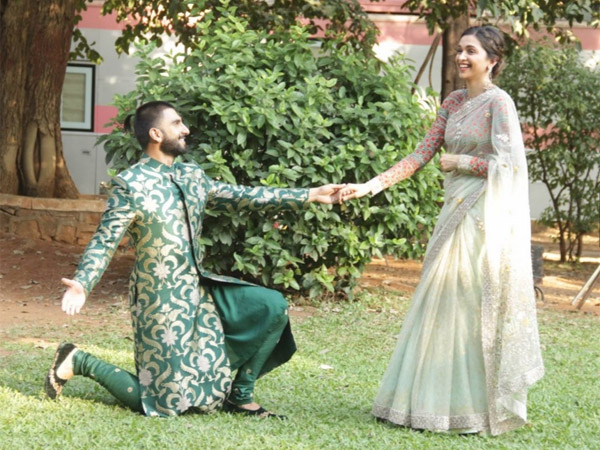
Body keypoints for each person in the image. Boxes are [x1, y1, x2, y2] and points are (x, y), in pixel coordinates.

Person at [45, 101, 344, 418]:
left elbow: (244, 195)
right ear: (156, 134)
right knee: (165, 405)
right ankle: (78, 360)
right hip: (158, 300)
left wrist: (311, 194)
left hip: (199, 289)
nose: (185, 129)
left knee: (272, 306)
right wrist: (83, 282)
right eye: (177, 123)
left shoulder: (191, 175)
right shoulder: (130, 184)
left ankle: (240, 396)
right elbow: (105, 239)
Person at [340, 26, 544, 435]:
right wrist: (370, 186)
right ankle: (420, 403)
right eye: (460, 50)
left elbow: (511, 165)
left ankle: (470, 409)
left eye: (472, 51)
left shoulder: (499, 103)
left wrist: (464, 163)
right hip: (453, 210)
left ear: (493, 60)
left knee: (465, 303)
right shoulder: (452, 102)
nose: (462, 57)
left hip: (482, 214)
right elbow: (421, 154)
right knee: (437, 297)